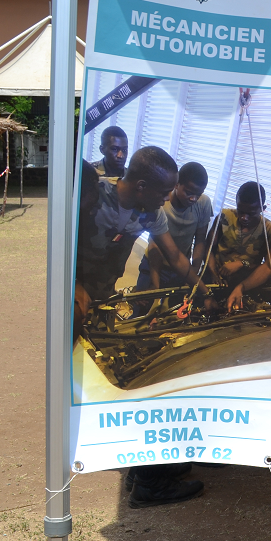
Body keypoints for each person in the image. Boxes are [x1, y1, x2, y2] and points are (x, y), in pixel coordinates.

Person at [74, 147, 217, 509]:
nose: (167, 199)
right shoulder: (90, 198)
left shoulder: (149, 212)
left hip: (101, 302)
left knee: (130, 376)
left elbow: (174, 256)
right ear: (141, 186)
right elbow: (61, 244)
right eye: (163, 192)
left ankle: (143, 468)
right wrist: (74, 284)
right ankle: (148, 482)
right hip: (75, 304)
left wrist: (202, 290)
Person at [136, 162, 213, 291]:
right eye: (189, 193)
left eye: (198, 194)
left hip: (181, 267)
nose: (194, 199)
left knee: (175, 303)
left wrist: (193, 273)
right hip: (153, 264)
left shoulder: (203, 203)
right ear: (176, 184)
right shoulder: (161, 203)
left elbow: (200, 240)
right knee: (145, 300)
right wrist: (155, 283)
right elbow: (154, 245)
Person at [208, 181, 271, 314]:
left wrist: (242, 265)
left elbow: (268, 267)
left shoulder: (270, 231)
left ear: (263, 208)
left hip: (248, 285)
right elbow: (208, 250)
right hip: (215, 282)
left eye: (251, 213)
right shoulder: (224, 217)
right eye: (240, 211)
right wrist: (212, 272)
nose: (244, 217)